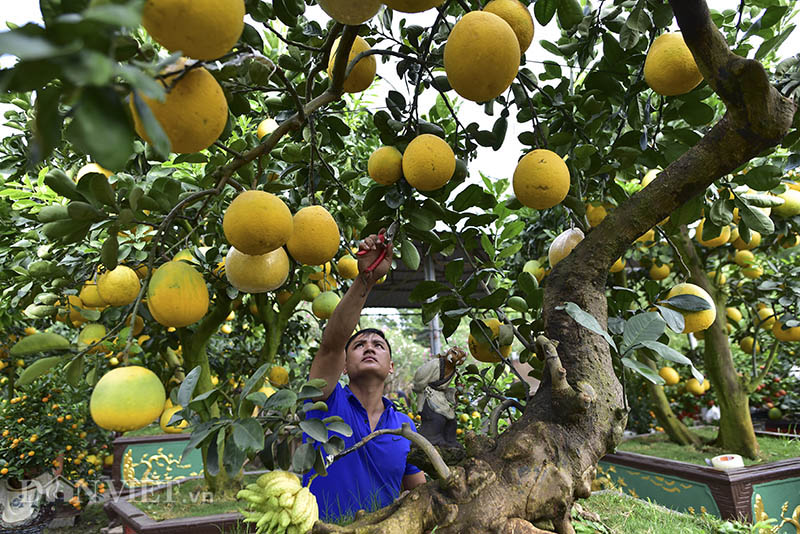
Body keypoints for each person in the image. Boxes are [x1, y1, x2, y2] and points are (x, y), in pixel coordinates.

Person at [301, 232, 426, 522]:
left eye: (378, 345)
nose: (369, 347)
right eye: (359, 345)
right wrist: (365, 280)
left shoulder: (404, 426)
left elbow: (419, 493)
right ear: (344, 366)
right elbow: (331, 345)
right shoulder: (324, 402)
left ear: (391, 367)